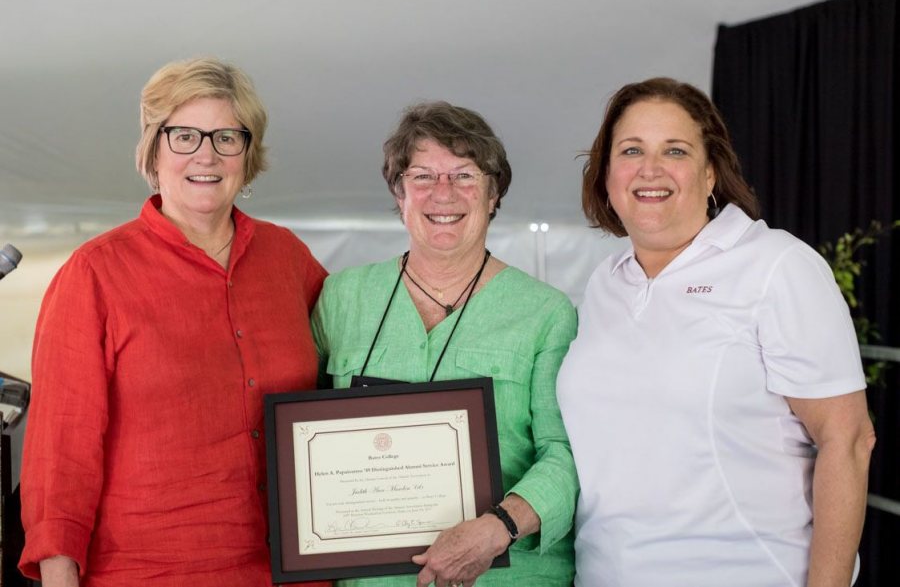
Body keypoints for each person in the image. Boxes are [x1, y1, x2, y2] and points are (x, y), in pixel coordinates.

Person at [18, 58, 330, 587]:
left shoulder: (288, 259)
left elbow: (360, 371)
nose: (206, 155)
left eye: (227, 137)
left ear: (247, 154)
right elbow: (60, 457)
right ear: (153, 149)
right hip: (151, 573)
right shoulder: (94, 275)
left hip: (290, 572)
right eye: (184, 135)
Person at [556, 77, 876, 587]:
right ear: (607, 175)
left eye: (675, 150)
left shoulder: (777, 266)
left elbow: (848, 439)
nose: (650, 169)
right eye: (631, 149)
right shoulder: (605, 283)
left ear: (710, 174)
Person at [312, 101, 578, 587]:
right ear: (399, 193)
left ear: (494, 194)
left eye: (464, 176)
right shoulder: (341, 298)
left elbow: (568, 452)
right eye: (422, 176)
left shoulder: (546, 313)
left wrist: (500, 527)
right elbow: (300, 436)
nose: (443, 194)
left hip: (508, 575)